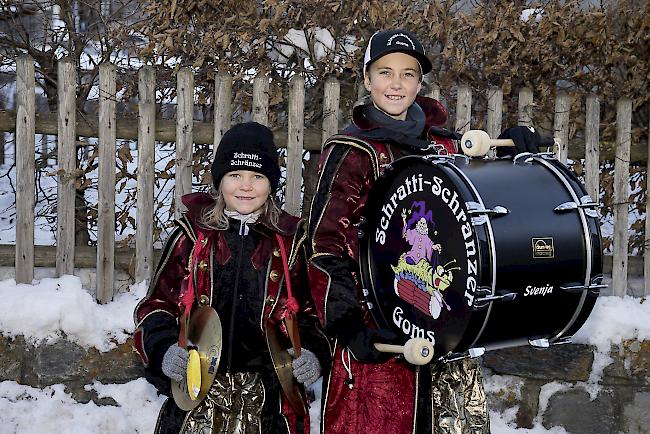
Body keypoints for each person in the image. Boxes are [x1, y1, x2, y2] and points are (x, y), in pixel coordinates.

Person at [306, 29, 541, 434]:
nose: (396, 84)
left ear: (419, 82)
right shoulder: (352, 152)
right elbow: (323, 245)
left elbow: (476, 211)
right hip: (379, 336)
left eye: (407, 73)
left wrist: (513, 148)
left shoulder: (445, 146)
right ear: (367, 79)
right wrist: (350, 327)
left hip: (445, 333)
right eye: (385, 72)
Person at [133, 122, 329, 434]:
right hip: (198, 390)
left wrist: (315, 353)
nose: (246, 186)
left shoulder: (291, 244)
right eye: (235, 175)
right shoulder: (192, 237)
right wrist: (163, 348)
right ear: (220, 180)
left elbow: (311, 314)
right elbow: (156, 306)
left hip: (267, 399)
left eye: (258, 177)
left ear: (271, 184)